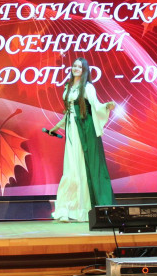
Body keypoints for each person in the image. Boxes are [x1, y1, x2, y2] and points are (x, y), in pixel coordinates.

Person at [47, 57, 116, 222]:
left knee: (81, 166)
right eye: (74, 66)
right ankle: (67, 209)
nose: (76, 68)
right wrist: (56, 127)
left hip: (84, 130)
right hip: (72, 130)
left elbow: (96, 106)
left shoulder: (88, 87)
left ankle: (84, 210)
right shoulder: (68, 86)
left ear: (84, 70)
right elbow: (69, 113)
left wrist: (106, 106)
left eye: (79, 66)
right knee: (71, 167)